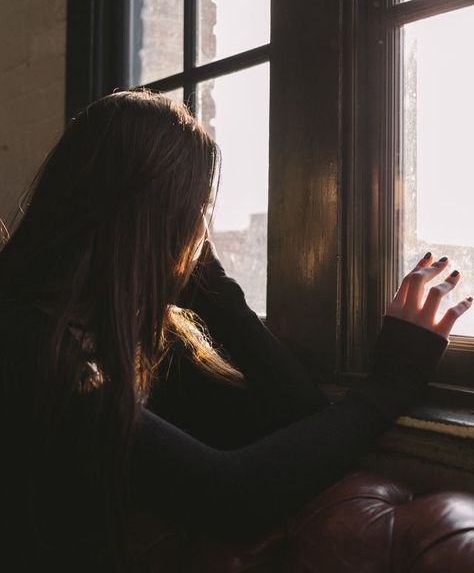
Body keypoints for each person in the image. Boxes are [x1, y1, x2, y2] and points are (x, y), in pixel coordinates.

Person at [0, 88, 470, 571]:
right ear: (151, 219)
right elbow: (232, 499)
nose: (203, 229)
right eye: (196, 210)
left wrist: (211, 286)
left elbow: (296, 413)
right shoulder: (26, 342)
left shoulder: (128, 336)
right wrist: (394, 381)